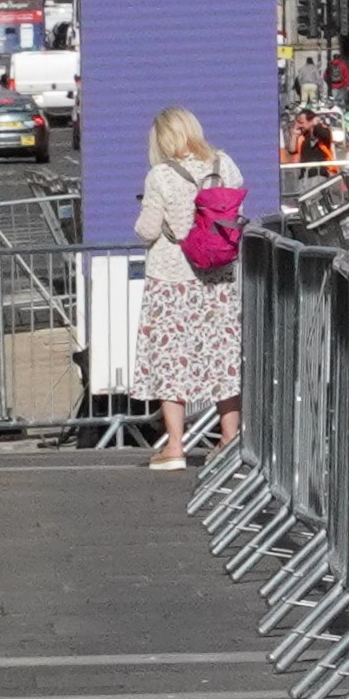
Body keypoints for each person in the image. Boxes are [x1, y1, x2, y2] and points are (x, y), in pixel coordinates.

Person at [132, 105, 246, 472]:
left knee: (171, 360)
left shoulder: (161, 176)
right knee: (222, 358)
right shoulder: (224, 164)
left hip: (171, 279)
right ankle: (229, 439)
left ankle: (175, 447)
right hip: (219, 278)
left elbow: (149, 229)